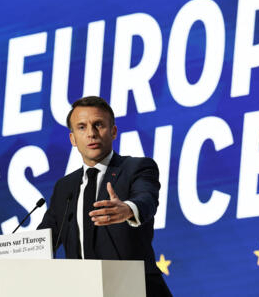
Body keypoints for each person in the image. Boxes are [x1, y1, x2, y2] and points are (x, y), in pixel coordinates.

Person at [38, 96, 172, 297]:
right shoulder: (65, 187)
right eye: (82, 127)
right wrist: (3, 251)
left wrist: (127, 209)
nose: (91, 133)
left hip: (136, 290)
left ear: (113, 131)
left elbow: (146, 199)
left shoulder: (136, 168)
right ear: (73, 139)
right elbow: (43, 240)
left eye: (98, 125)